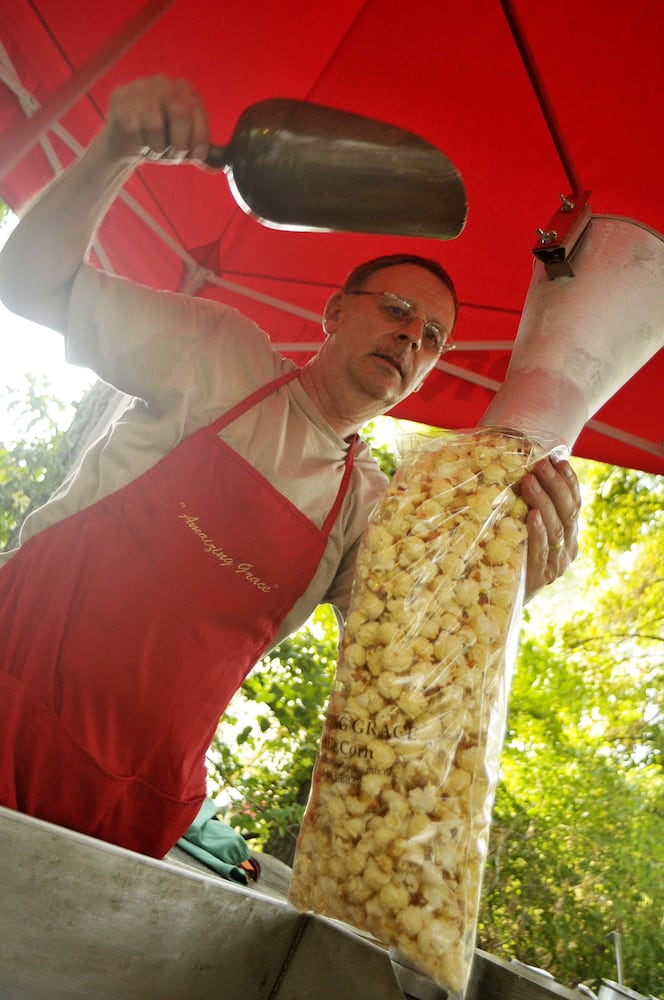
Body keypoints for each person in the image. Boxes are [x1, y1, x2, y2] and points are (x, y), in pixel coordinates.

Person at [0, 76, 580, 858]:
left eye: (433, 338)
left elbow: (416, 661)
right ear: (336, 315)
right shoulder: (219, 352)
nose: (413, 340)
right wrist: (113, 152)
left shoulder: (368, 511)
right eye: (396, 311)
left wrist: (523, 579)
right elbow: (31, 285)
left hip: (128, 796)